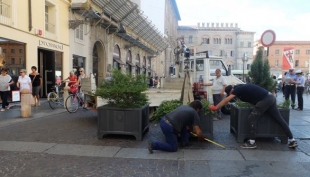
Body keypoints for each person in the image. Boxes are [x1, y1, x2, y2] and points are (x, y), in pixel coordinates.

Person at [208, 84, 298, 149]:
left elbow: (226, 100)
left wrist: (216, 107)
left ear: (231, 91)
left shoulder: (237, 90)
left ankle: (252, 142)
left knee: (251, 118)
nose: (232, 96)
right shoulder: (241, 88)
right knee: (279, 119)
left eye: (230, 94)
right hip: (270, 98)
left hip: (265, 100)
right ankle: (292, 140)